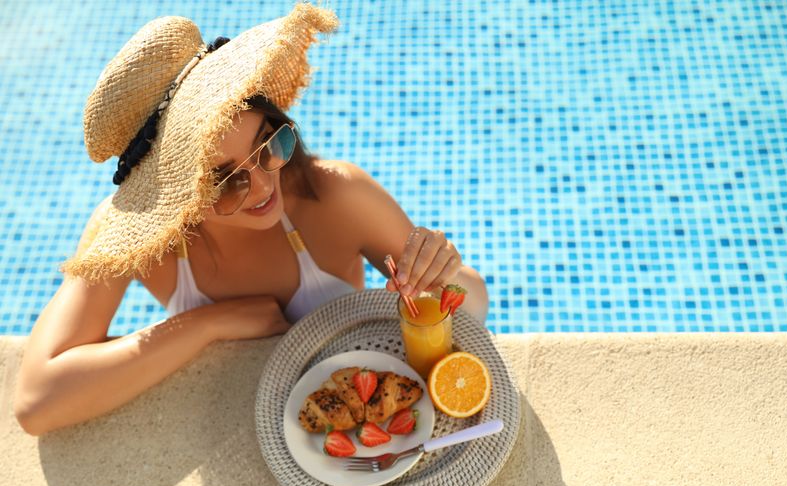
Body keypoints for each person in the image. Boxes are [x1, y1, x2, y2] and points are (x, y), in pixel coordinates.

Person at [13, 4, 487, 436]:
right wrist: (207, 324)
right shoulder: (139, 241)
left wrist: (440, 273)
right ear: (171, 194)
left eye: (269, 146)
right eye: (224, 180)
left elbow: (476, 306)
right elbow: (36, 402)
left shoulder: (334, 195)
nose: (263, 187)